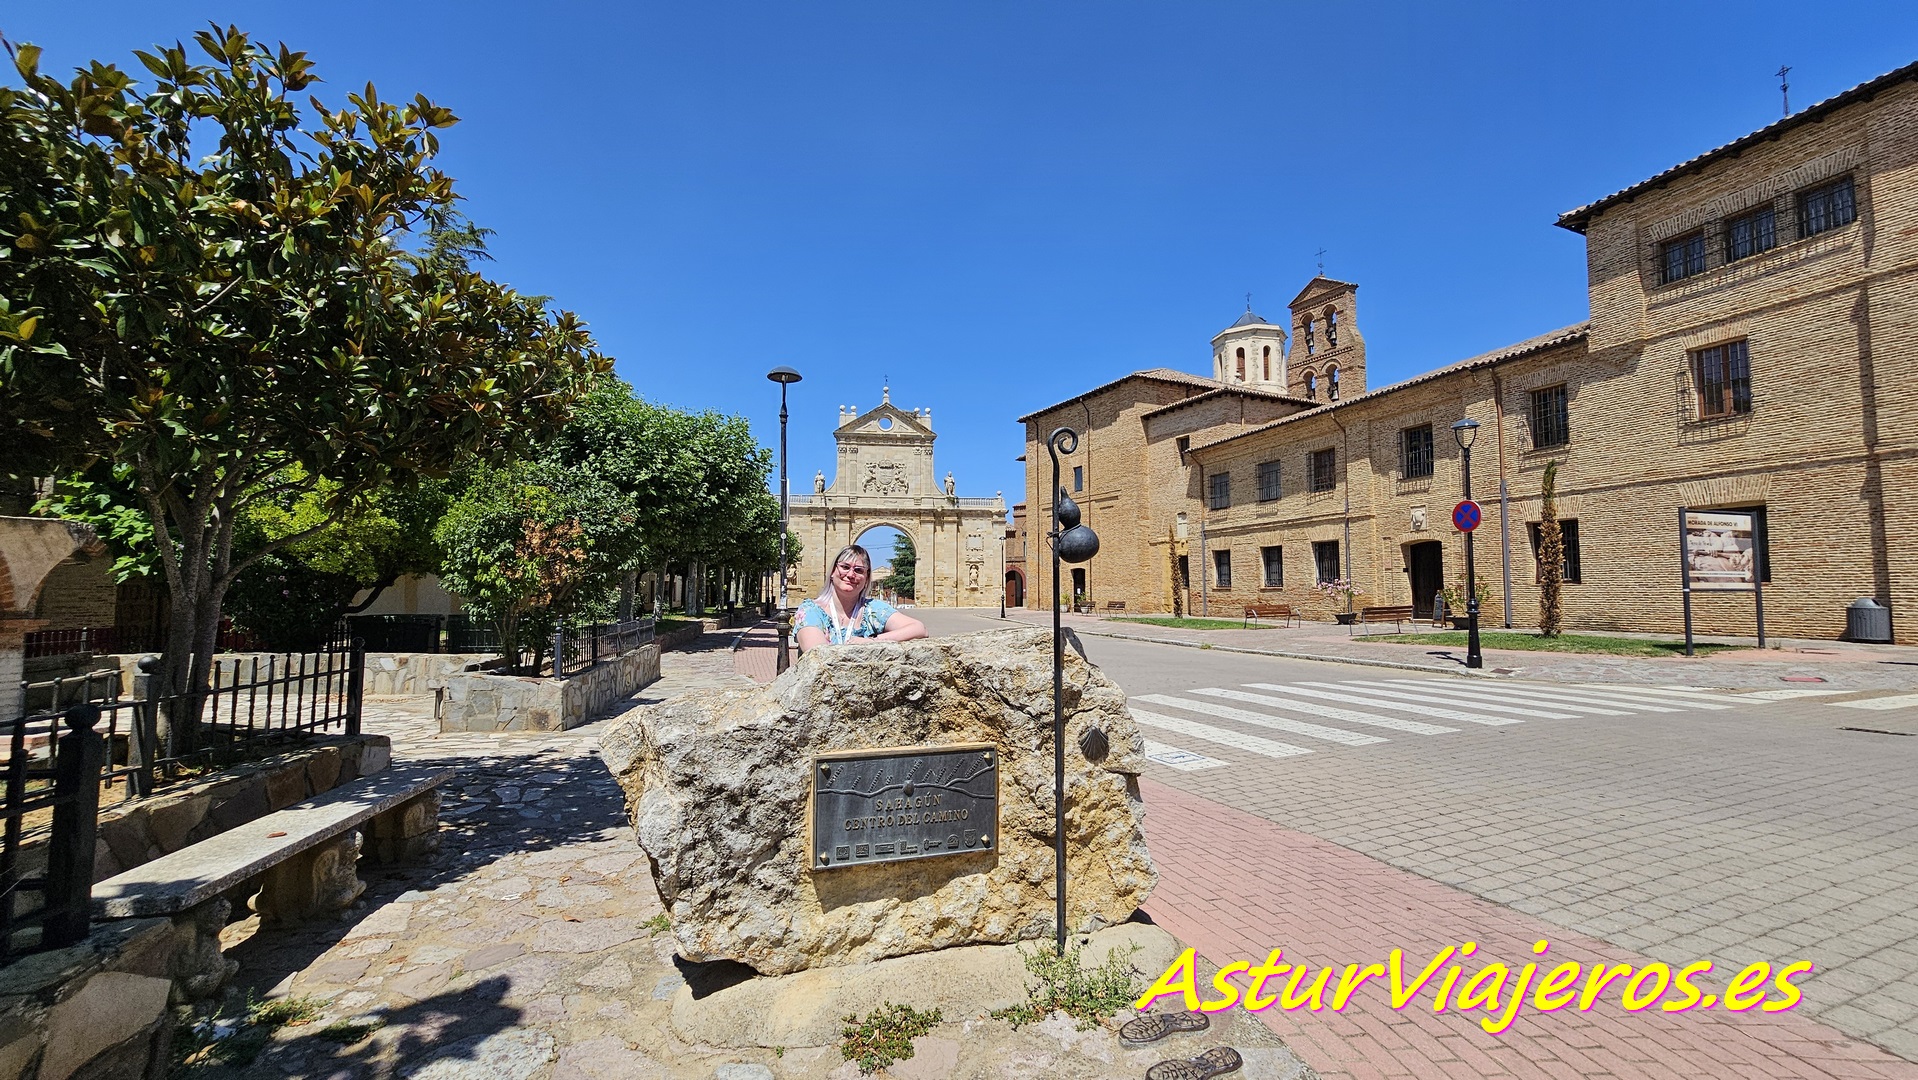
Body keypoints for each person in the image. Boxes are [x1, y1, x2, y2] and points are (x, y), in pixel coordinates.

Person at [794, 544, 928, 652]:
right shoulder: (810, 611)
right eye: (845, 567)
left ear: (866, 578)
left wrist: (872, 641)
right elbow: (818, 654)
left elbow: (919, 629)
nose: (851, 574)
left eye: (858, 570)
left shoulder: (873, 610)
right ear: (832, 572)